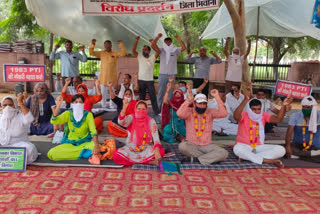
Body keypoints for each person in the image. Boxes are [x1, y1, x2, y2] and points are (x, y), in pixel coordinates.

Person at [233, 85, 292, 167]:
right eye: (254, 109)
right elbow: (235, 116)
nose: (256, 111)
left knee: (281, 150)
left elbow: (278, 119)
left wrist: (284, 105)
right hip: (244, 145)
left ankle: (249, 157)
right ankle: (267, 160)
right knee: (237, 149)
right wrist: (245, 100)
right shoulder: (244, 115)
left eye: (258, 109)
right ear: (249, 109)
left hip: (259, 147)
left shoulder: (263, 115)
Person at [177, 90, 229, 165]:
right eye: (200, 103)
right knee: (182, 146)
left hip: (207, 145)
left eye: (204, 104)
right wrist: (188, 101)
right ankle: (210, 158)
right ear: (194, 103)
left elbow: (224, 113)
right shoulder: (189, 112)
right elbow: (179, 113)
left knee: (224, 153)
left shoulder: (210, 112)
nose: (202, 106)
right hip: (192, 145)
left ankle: (197, 159)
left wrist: (217, 97)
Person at [47, 95, 100, 161]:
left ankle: (75, 154)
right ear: (72, 103)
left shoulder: (88, 115)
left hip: (85, 143)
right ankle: (82, 153)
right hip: (70, 144)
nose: (78, 104)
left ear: (83, 104)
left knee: (95, 146)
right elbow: (54, 120)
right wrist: (58, 106)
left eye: (80, 102)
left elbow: (93, 131)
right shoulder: (68, 114)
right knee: (51, 153)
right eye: (76, 102)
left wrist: (96, 145)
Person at [112, 100, 164, 165]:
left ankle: (135, 162)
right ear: (135, 109)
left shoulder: (150, 120)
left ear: (147, 110)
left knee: (161, 151)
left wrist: (156, 151)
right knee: (115, 155)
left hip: (146, 148)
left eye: (143, 109)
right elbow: (121, 122)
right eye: (139, 109)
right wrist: (124, 108)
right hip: (131, 148)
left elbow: (156, 137)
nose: (141, 111)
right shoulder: (131, 117)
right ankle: (148, 162)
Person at [151, 33, 186, 109]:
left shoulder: (175, 50)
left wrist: (179, 39)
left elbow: (184, 48)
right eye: (166, 41)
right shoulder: (161, 50)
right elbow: (153, 45)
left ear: (171, 42)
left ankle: (168, 109)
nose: (167, 43)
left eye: (169, 41)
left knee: (170, 93)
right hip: (162, 74)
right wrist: (157, 37)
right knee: (160, 92)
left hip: (171, 75)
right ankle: (158, 109)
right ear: (164, 42)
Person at [0, 94, 38, 164]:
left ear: (15, 105)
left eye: (10, 105)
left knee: (30, 149)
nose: (7, 107)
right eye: (5, 105)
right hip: (2, 145)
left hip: (19, 145)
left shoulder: (21, 116)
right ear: (1, 106)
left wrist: (20, 103)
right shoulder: (1, 117)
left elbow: (30, 119)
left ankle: (15, 162)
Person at [89, 39, 126, 108]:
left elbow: (123, 53)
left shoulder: (115, 53)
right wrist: (92, 44)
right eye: (106, 45)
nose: (107, 46)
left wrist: (121, 44)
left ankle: (112, 105)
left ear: (111, 45)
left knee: (112, 92)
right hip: (103, 77)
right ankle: (103, 106)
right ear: (104, 46)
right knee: (103, 93)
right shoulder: (101, 53)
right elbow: (91, 53)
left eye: (108, 44)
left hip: (112, 78)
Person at [285, 96, 320, 163]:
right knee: (284, 149)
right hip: (298, 145)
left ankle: (299, 157)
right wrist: (287, 146)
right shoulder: (295, 115)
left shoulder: (319, 116)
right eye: (303, 107)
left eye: (308, 107)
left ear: (313, 108)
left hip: (315, 146)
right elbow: (289, 132)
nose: (305, 109)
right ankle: (311, 155)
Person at [132, 36, 160, 115]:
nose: (144, 50)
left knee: (153, 97)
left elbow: (158, 51)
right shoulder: (140, 57)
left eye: (145, 49)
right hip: (141, 80)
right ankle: (141, 111)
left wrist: (153, 43)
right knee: (142, 97)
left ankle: (156, 112)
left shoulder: (152, 57)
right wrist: (136, 40)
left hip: (150, 81)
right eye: (143, 49)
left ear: (149, 51)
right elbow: (133, 50)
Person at [161, 78, 186, 143]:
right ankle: (175, 137)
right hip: (172, 125)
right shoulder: (171, 103)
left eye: (179, 94)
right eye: (176, 94)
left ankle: (179, 136)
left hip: (182, 125)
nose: (177, 95)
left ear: (182, 96)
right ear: (173, 96)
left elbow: (191, 103)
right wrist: (167, 91)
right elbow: (165, 101)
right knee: (168, 133)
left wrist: (190, 91)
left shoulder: (184, 104)